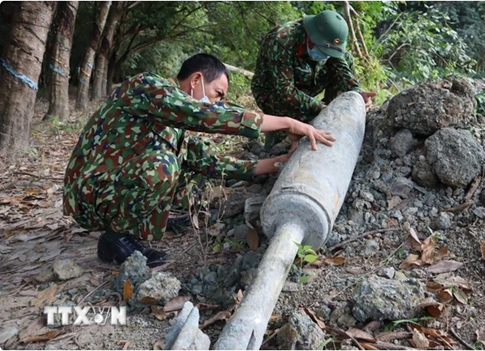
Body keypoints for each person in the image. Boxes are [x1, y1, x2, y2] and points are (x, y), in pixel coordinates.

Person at [63, 53, 335, 267]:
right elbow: (206, 116)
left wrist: (281, 163)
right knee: (162, 166)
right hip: (89, 194)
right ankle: (115, 240)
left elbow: (212, 163)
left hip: (109, 188)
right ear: (195, 80)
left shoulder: (175, 124)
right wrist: (286, 122)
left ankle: (145, 219)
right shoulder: (146, 86)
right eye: (217, 93)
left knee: (188, 169)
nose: (216, 103)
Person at [251, 10, 376, 150]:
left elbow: (341, 67)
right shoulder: (281, 40)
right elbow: (285, 91)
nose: (325, 56)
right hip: (273, 92)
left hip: (305, 84)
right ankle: (277, 131)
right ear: (310, 38)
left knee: (346, 59)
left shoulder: (328, 42)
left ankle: (327, 121)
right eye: (323, 51)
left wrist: (356, 92)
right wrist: (321, 108)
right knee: (283, 132)